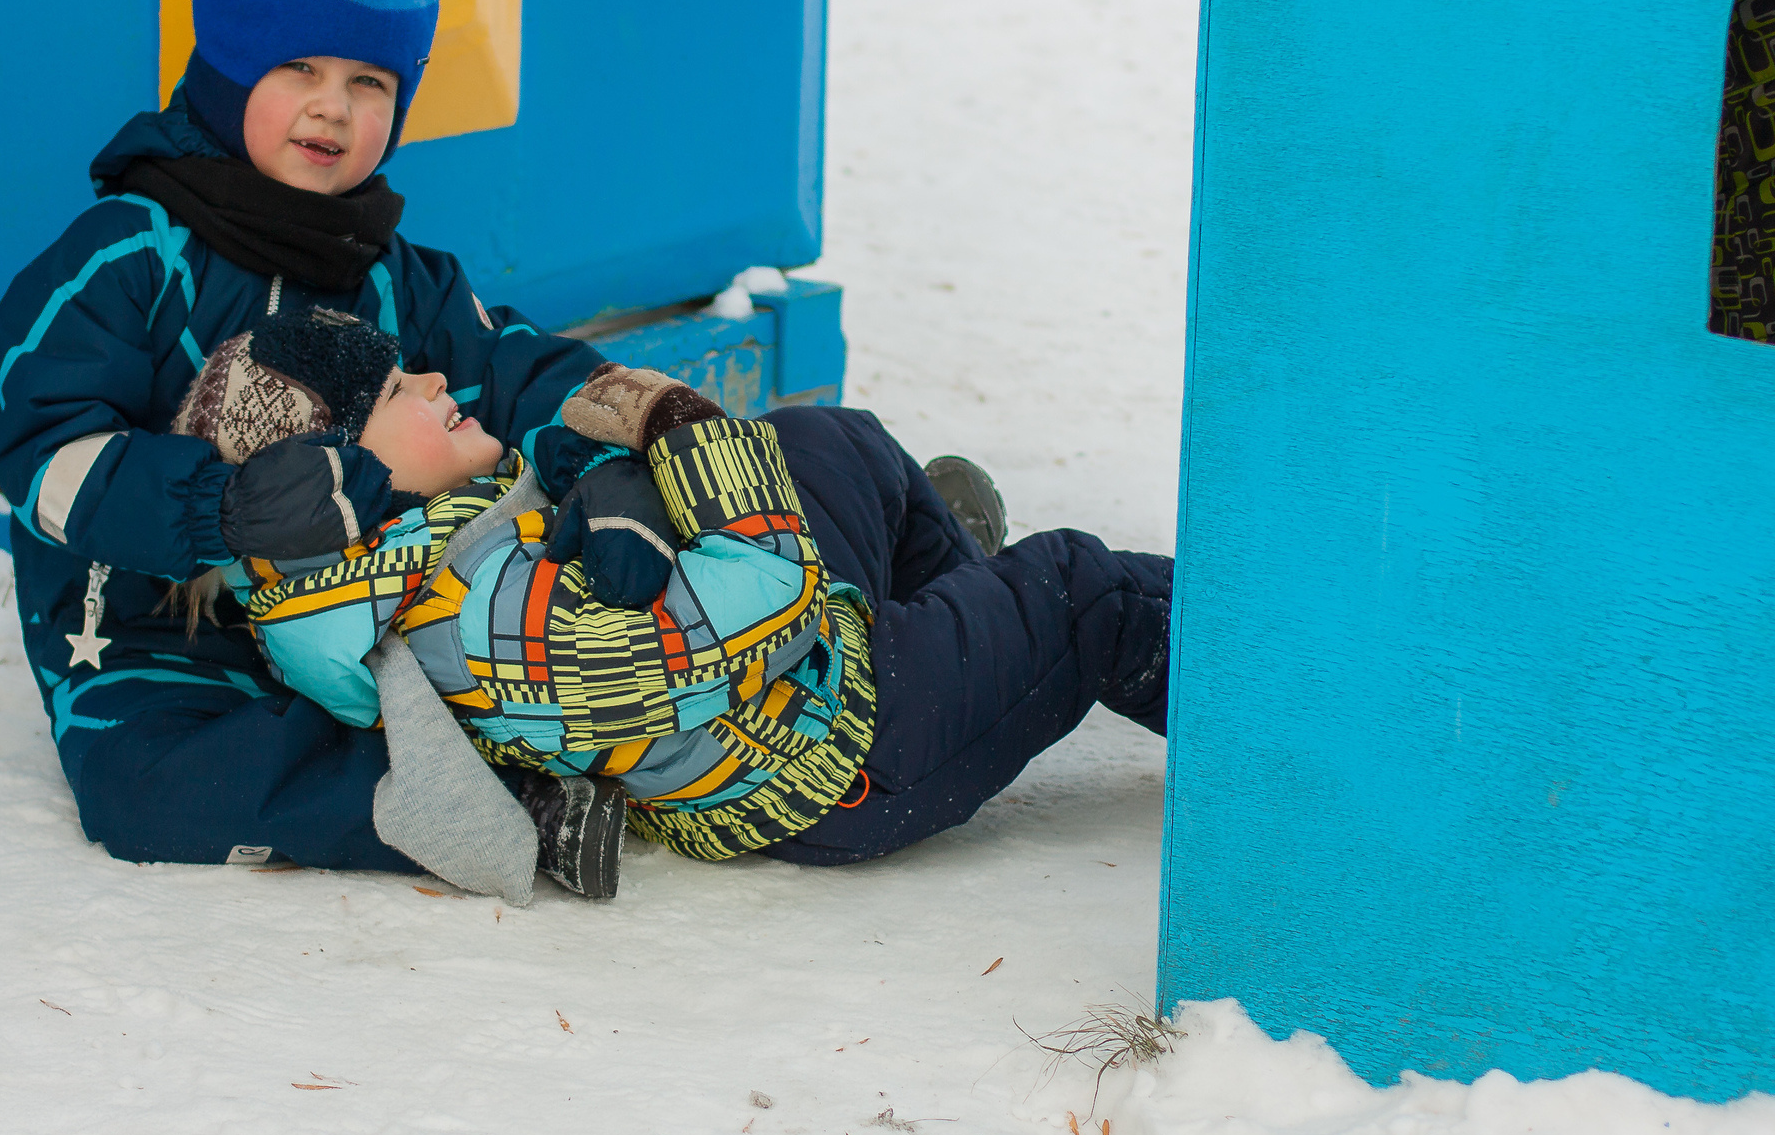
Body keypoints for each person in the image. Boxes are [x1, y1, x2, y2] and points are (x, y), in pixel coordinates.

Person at [0, 0, 678, 872]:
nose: (333, 107)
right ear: (225, 71)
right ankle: (512, 811)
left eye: (369, 81)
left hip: (375, 617)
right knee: (149, 786)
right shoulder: (129, 257)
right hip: (157, 643)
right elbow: (45, 455)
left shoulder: (400, 276)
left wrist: (612, 456)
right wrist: (224, 507)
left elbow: (520, 370)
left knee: (606, 605)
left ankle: (857, 591)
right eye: (296, 68)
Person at [193, 309, 1174, 899]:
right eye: (403, 389)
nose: (439, 379)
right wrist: (681, 428)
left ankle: (966, 609)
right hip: (838, 751)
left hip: (789, 672)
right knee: (1089, 591)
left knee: (825, 442)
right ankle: (1289, 690)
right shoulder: (483, 626)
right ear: (346, 478)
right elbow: (768, 602)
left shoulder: (409, 554)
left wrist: (607, 475)